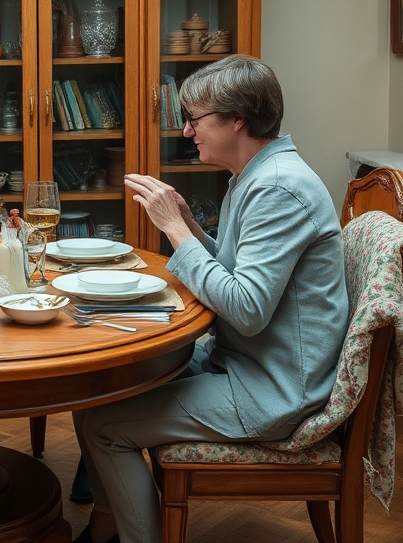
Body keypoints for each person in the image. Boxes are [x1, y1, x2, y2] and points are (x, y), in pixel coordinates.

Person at [72, 55, 348, 543]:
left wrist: (175, 231)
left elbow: (246, 309)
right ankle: (107, 526)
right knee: (92, 387)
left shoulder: (278, 187)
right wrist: (192, 225)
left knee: (104, 427)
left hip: (274, 390)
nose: (186, 131)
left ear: (238, 118)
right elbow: (239, 272)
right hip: (247, 364)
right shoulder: (257, 174)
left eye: (195, 118)